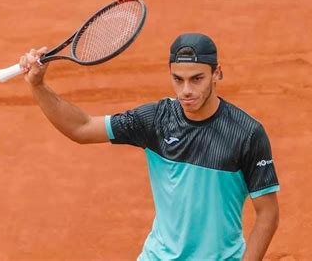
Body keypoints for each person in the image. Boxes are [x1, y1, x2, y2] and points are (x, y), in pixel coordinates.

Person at [20, 33, 280, 261]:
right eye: (178, 79)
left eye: (197, 79)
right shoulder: (156, 120)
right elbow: (82, 128)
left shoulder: (246, 133)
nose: (186, 91)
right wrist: (38, 85)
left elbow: (267, 214)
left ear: (217, 73)